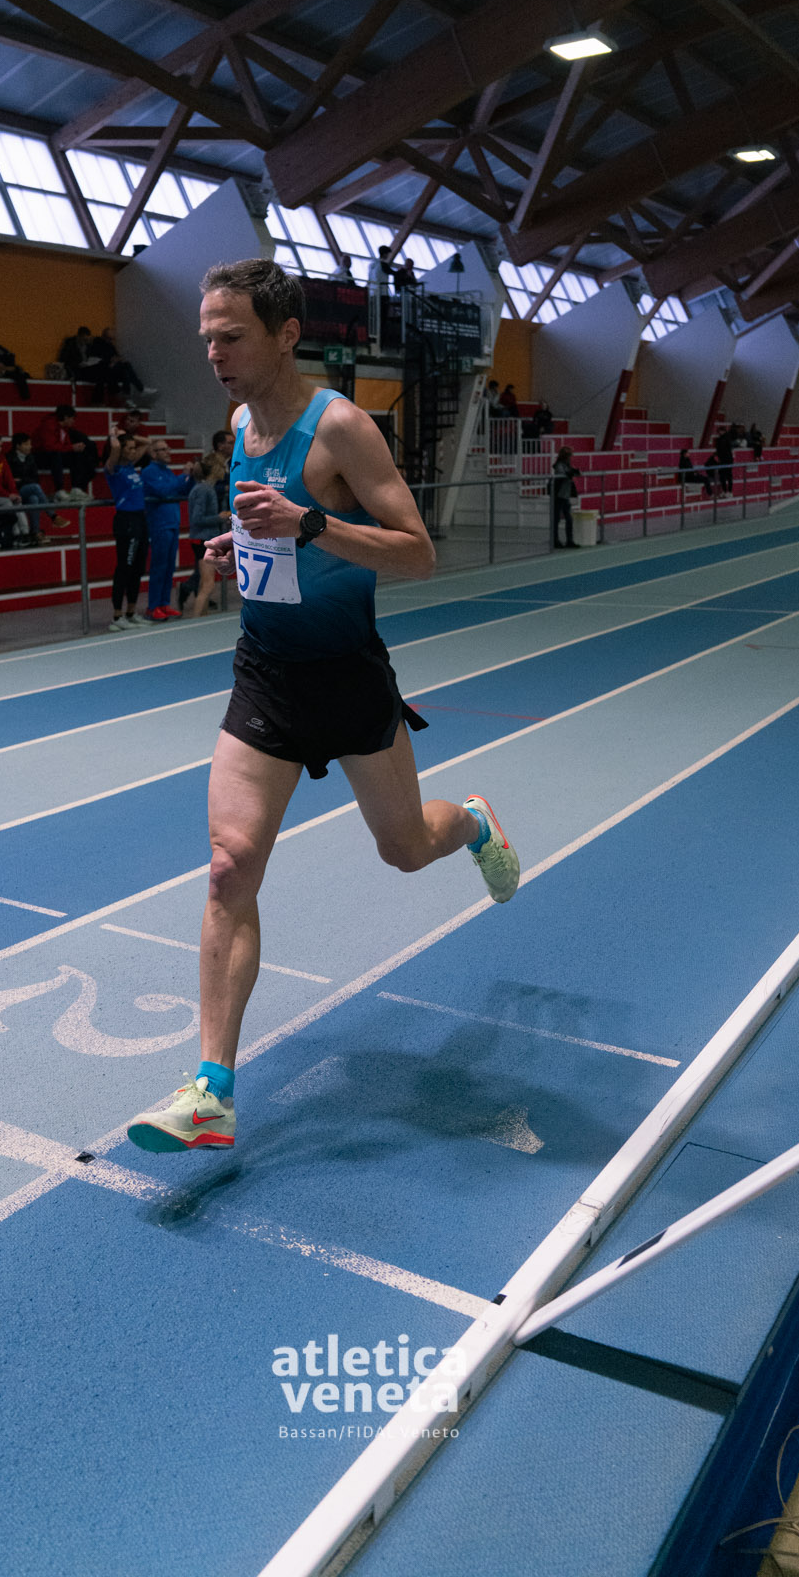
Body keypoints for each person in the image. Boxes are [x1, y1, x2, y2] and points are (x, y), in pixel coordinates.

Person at [125, 257, 519, 1155]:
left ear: (286, 335)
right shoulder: (239, 424)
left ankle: (473, 823)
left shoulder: (339, 427)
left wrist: (309, 523)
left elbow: (418, 553)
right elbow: (270, 537)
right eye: (207, 338)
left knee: (404, 848)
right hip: (266, 674)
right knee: (229, 868)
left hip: (347, 675)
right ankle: (212, 1090)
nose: (215, 353)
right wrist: (238, 548)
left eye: (232, 337)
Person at [102, 429, 152, 630]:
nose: (133, 451)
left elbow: (147, 442)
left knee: (138, 567)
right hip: (126, 521)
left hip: (140, 518)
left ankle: (131, 613)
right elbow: (114, 447)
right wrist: (114, 434)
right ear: (121, 450)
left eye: (133, 448)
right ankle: (117, 616)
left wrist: (130, 435)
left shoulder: (131, 466)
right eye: (129, 448)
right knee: (125, 567)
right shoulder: (113, 469)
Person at [141, 436, 193, 621]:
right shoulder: (149, 472)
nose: (168, 452)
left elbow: (181, 490)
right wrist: (183, 476)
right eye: (163, 449)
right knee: (159, 566)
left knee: (169, 566)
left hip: (172, 523)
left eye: (168, 448)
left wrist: (190, 477)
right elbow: (163, 491)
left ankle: (164, 603)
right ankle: (153, 606)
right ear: (153, 454)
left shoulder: (168, 472)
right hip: (160, 524)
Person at [182, 451, 228, 614]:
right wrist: (219, 517)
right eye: (222, 467)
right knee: (208, 584)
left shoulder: (206, 489)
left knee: (204, 583)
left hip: (203, 538)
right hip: (203, 539)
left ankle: (202, 616)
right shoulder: (204, 490)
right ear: (215, 469)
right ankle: (197, 618)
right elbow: (197, 518)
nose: (224, 470)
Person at [9, 432, 71, 535]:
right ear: (18, 446)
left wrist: (22, 480)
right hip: (15, 491)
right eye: (26, 444)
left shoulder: (30, 458)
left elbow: (35, 478)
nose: (30, 446)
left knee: (34, 498)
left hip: (27, 488)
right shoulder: (9, 458)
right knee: (35, 487)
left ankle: (35, 532)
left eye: (30, 444)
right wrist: (25, 481)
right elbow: (11, 481)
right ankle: (53, 516)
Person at [31, 404, 97, 501]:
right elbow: (49, 447)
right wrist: (71, 447)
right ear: (66, 417)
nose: (73, 421)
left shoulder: (65, 429)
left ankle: (76, 489)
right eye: (72, 418)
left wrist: (74, 448)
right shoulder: (48, 425)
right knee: (55, 454)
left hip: (55, 454)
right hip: (40, 456)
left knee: (77, 454)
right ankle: (59, 490)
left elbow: (65, 446)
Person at [549, 445, 577, 548]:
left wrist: (574, 471)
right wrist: (571, 472)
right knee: (556, 518)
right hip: (558, 495)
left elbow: (570, 472)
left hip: (565, 495)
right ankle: (555, 540)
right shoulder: (559, 465)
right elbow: (562, 473)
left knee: (569, 518)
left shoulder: (567, 465)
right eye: (569, 456)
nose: (570, 458)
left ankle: (569, 540)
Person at [713, 422, 734, 494]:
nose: (720, 433)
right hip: (723, 460)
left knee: (728, 476)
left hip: (727, 459)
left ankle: (729, 491)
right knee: (723, 476)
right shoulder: (720, 439)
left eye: (721, 431)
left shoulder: (726, 438)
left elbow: (726, 449)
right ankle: (725, 491)